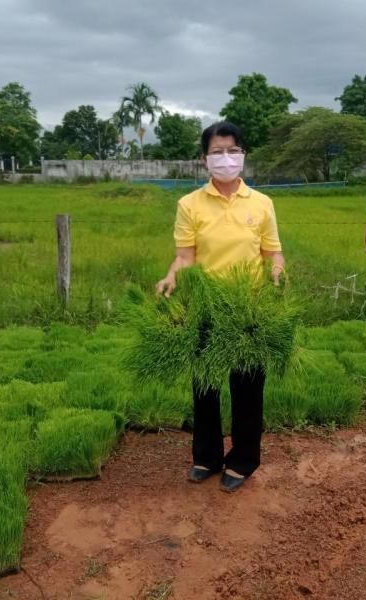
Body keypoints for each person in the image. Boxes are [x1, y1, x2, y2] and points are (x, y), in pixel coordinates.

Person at [155, 121, 285, 493]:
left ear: (243, 154)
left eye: (232, 150)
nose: (225, 158)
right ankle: (207, 456)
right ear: (204, 159)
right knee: (205, 387)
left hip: (249, 309)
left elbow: (272, 253)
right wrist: (171, 277)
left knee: (247, 391)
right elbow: (185, 257)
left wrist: (277, 273)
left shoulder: (261, 203)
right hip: (205, 307)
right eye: (217, 152)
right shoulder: (189, 204)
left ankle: (243, 460)